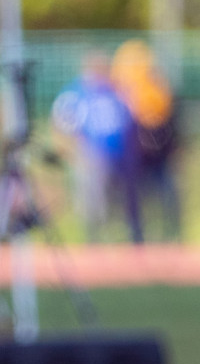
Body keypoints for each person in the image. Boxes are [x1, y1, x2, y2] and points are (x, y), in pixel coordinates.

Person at [51, 51, 141, 242]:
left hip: (119, 157)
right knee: (93, 206)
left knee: (121, 205)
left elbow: (130, 119)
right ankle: (94, 242)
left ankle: (126, 240)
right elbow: (60, 125)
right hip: (91, 156)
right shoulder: (77, 93)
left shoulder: (115, 91)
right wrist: (75, 152)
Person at [110, 40, 182, 240]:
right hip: (139, 136)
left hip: (155, 136)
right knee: (135, 189)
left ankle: (169, 232)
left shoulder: (157, 86)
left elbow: (167, 111)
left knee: (164, 188)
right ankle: (137, 232)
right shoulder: (132, 84)